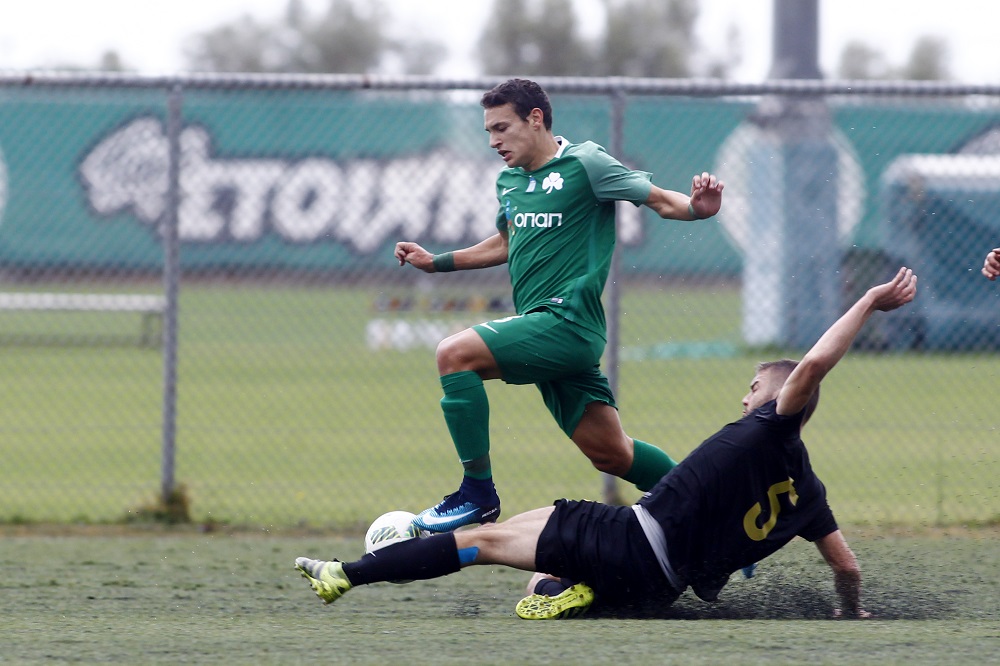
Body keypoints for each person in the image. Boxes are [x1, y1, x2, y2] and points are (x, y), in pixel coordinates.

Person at [295, 267, 918, 620]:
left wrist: (867, 301)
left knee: (478, 542)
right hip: (657, 591)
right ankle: (573, 585)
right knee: (532, 565)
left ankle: (345, 575)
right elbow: (846, 567)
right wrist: (850, 611)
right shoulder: (810, 491)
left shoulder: (770, 427)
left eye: (754, 388)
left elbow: (813, 365)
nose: (744, 398)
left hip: (631, 541)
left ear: (782, 397)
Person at [393, 78, 725, 532]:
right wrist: (437, 263)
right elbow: (508, 242)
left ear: (535, 119)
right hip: (543, 327)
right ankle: (719, 518)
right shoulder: (510, 180)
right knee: (613, 454)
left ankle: (477, 493)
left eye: (501, 128)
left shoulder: (587, 163)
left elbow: (663, 202)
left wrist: (698, 208)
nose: (493, 141)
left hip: (568, 323)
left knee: (454, 354)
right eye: (488, 131)